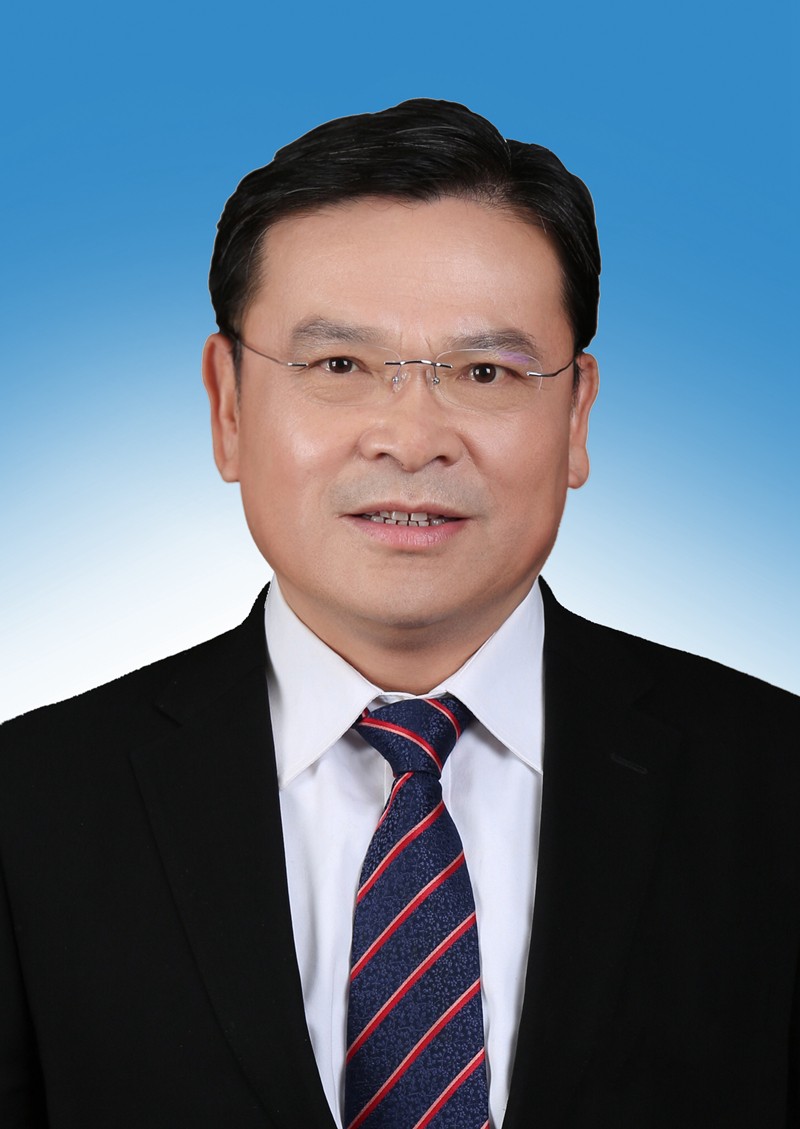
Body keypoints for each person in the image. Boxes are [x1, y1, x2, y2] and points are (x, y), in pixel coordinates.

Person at [0, 99, 797, 1129]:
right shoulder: (30, 806)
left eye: (484, 371)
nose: (412, 438)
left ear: (576, 414)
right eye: (339, 366)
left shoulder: (774, 784)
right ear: (228, 406)